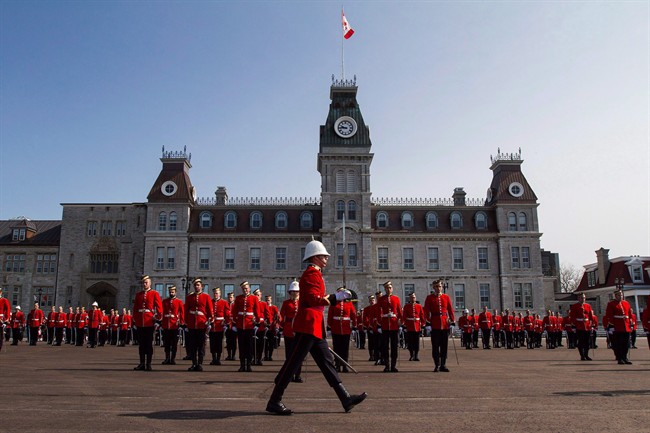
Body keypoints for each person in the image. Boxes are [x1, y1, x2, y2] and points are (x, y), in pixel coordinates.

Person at [266, 240, 367, 415]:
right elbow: (314, 299)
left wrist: (334, 297)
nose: (326, 258)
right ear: (315, 257)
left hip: (315, 326)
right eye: (323, 256)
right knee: (292, 364)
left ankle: (345, 398)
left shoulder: (316, 274)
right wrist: (335, 297)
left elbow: (317, 297)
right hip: (307, 325)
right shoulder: (311, 274)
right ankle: (274, 400)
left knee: (327, 363)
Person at [423, 279, 455, 372]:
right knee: (435, 346)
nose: (438, 288)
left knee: (444, 346)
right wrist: (428, 323)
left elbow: (450, 310)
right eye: (436, 286)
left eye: (440, 286)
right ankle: (437, 364)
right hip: (435, 324)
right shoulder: (429, 298)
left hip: (444, 324)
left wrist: (452, 322)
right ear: (433, 287)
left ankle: (443, 364)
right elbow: (426, 311)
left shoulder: (446, 297)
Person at [133, 275, 163, 371]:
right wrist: (135, 319)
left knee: (148, 344)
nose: (144, 284)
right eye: (143, 282)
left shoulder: (154, 293)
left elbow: (159, 307)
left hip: (149, 321)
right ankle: (142, 363)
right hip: (140, 322)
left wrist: (158, 318)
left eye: (146, 282)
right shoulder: (139, 295)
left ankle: (148, 363)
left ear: (150, 283)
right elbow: (136, 308)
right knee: (141, 344)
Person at [184, 278, 214, 372]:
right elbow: (186, 310)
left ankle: (200, 363)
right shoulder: (190, 297)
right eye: (195, 285)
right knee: (192, 345)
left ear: (201, 286)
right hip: (192, 324)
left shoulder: (206, 297)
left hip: (201, 324)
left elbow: (209, 310)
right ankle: (194, 363)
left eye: (198, 285)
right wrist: (186, 322)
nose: (197, 287)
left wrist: (210, 320)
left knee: (201, 345)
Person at [327, 286, 357, 372]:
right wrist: (329, 327)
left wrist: (354, 326)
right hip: (336, 328)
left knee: (345, 347)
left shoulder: (349, 303)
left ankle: (345, 365)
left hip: (346, 328)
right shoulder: (334, 303)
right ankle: (337, 364)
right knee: (336, 347)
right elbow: (330, 315)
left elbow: (353, 315)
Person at [231, 281, 260, 372]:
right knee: (242, 346)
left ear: (249, 289)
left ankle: (248, 365)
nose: (245, 290)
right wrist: (235, 322)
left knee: (249, 346)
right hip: (240, 325)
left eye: (247, 288)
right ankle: (242, 364)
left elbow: (257, 310)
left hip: (249, 325)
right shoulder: (239, 298)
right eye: (244, 289)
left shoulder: (254, 298)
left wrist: (258, 322)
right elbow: (235, 311)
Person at [279, 280, 303, 382]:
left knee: (299, 354)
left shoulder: (302, 303)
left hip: (300, 330)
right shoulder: (286, 303)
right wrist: (281, 326)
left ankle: (297, 374)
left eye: (296, 291)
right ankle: (289, 375)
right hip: (289, 329)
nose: (294, 293)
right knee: (289, 355)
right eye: (292, 291)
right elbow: (281, 316)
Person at [377, 281, 402, 372]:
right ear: (385, 289)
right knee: (385, 346)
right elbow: (378, 311)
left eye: (390, 288)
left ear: (392, 289)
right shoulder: (381, 299)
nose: (388, 289)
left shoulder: (396, 298)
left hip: (394, 325)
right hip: (385, 325)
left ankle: (393, 365)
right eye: (387, 288)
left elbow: (399, 310)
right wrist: (380, 322)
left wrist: (400, 321)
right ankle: (387, 365)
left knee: (394, 346)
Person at [604, 289, 633, 365]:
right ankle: (620, 358)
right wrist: (612, 325)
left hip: (625, 326)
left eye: (621, 295)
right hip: (617, 326)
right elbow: (609, 315)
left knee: (626, 343)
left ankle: (625, 357)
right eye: (619, 295)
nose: (620, 296)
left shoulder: (626, 303)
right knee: (619, 343)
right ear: (616, 296)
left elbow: (629, 314)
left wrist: (631, 323)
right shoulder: (611, 304)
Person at [161, 286, 184, 364]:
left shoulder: (179, 302)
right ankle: (167, 358)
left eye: (173, 292)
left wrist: (181, 322)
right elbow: (162, 312)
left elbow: (182, 312)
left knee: (174, 343)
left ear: (175, 292)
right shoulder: (165, 301)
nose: (171, 293)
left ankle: (173, 358)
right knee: (166, 343)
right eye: (170, 292)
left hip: (174, 325)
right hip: (166, 324)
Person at [569, 292, 595, 361]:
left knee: (587, 342)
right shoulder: (575, 306)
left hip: (587, 326)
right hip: (579, 326)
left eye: (584, 298)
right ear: (578, 298)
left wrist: (592, 325)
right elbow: (572, 317)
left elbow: (590, 316)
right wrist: (574, 326)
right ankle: (582, 355)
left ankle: (586, 354)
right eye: (581, 298)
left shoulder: (588, 306)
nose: (583, 299)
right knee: (581, 342)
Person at [209, 287, 230, 366]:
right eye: (214, 293)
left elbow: (227, 314)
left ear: (220, 294)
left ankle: (218, 358)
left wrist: (226, 322)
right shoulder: (210, 302)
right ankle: (213, 358)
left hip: (220, 325)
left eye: (217, 293)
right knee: (212, 343)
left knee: (219, 343)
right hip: (212, 326)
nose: (215, 295)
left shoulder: (224, 302)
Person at [402, 292, 424, 361]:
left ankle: (416, 355)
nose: (413, 299)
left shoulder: (419, 306)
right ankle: (411, 354)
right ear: (409, 298)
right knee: (410, 342)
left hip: (417, 326)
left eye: (414, 297)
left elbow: (422, 315)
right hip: (410, 326)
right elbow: (404, 316)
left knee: (416, 342)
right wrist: (404, 325)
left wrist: (423, 324)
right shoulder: (406, 306)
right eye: (411, 297)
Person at [263, 295, 280, 362]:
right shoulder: (264, 306)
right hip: (265, 326)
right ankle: (265, 356)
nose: (267, 301)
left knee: (271, 342)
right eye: (266, 300)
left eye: (268, 300)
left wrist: (276, 323)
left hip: (272, 327)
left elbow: (277, 316)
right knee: (265, 343)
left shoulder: (274, 307)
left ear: (271, 300)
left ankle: (270, 356)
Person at [224, 292, 237, 360]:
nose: (230, 298)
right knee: (228, 341)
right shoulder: (226, 305)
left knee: (234, 341)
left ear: (233, 298)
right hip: (227, 325)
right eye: (229, 297)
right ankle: (229, 355)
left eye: (231, 297)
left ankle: (233, 355)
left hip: (234, 325)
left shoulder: (235, 305)